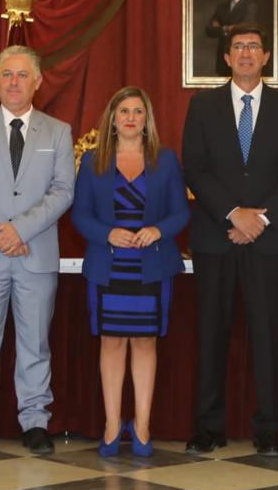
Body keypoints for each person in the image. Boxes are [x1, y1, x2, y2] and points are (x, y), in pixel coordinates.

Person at [182, 23, 278, 457]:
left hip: (266, 241)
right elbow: (195, 168)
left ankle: (269, 430)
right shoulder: (203, 105)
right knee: (210, 335)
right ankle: (207, 427)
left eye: (255, 46)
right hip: (216, 237)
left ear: (266, 57)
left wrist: (261, 219)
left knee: (268, 337)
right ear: (227, 58)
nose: (247, 53)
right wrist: (234, 214)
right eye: (239, 47)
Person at [0, 45, 75, 457]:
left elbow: (63, 191)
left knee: (35, 343)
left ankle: (35, 419)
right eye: (7, 74)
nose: (14, 82)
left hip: (35, 254)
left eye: (23, 75)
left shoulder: (57, 131)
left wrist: (19, 230)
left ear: (38, 82)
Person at [73, 87, 190, 458]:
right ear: (112, 117)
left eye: (138, 111)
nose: (130, 117)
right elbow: (79, 215)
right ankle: (111, 425)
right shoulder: (93, 161)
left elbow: (181, 213)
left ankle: (141, 425)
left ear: (146, 120)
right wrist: (107, 233)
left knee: (144, 343)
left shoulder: (166, 161)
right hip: (109, 266)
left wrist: (158, 229)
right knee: (110, 342)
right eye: (123, 110)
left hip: (150, 265)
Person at [204, 0, 259, 76]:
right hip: (222, 57)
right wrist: (228, 28)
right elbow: (209, 30)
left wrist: (221, 28)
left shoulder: (250, 6)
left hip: (240, 56)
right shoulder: (221, 7)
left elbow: (244, 29)